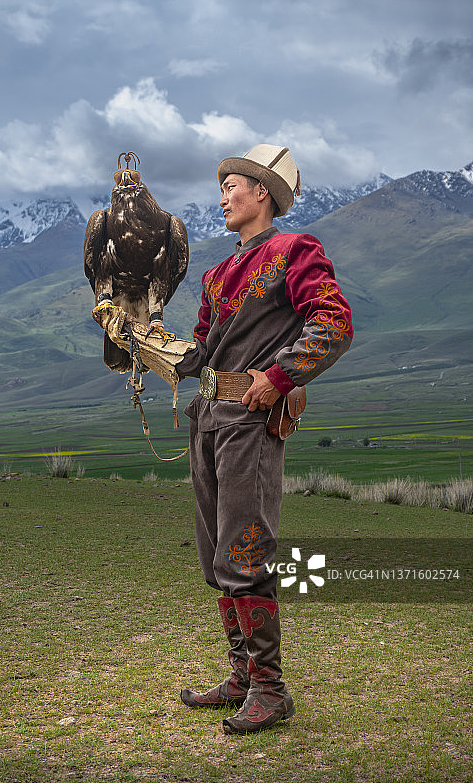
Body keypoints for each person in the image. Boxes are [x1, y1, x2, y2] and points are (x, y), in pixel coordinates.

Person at [175, 144, 353, 734]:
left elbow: (332, 323)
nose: (223, 195)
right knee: (217, 556)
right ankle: (242, 678)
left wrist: (278, 378)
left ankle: (271, 691)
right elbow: (200, 352)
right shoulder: (217, 274)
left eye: (233, 185)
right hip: (209, 417)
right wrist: (141, 340)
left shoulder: (293, 250)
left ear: (262, 195)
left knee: (245, 552)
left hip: (251, 423)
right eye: (223, 185)